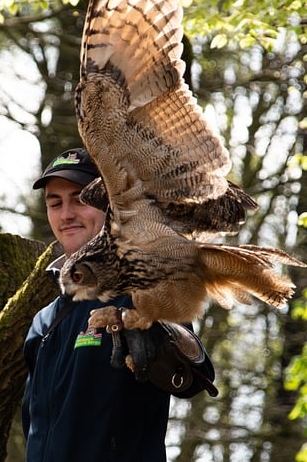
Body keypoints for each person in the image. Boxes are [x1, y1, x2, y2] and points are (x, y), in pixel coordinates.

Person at [22, 147, 217, 462]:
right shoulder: (43, 322)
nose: (66, 214)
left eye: (80, 199)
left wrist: (163, 332)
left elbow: (195, 377)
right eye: (55, 203)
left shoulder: (141, 290)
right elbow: (34, 427)